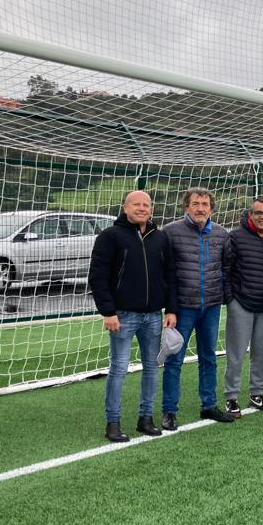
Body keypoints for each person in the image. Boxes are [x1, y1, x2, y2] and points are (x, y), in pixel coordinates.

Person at [89, 190, 178, 443]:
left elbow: (170, 276)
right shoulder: (110, 236)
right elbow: (98, 277)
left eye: (146, 204)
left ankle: (145, 418)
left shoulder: (160, 238)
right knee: (119, 368)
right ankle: (113, 422)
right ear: (125, 207)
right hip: (123, 316)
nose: (142, 208)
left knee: (152, 368)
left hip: (153, 316)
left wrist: (171, 310)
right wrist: (108, 311)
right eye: (136, 204)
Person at [161, 187, 234, 429]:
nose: (200, 208)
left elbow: (226, 270)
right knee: (175, 360)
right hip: (182, 309)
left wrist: (221, 296)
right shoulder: (171, 232)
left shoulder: (222, 235)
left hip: (211, 308)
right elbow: (165, 273)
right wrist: (169, 307)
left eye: (205, 204)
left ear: (211, 208)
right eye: (196, 203)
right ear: (186, 207)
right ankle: (170, 411)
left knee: (209, 358)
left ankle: (209, 405)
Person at [222, 197, 263, 417]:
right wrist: (230, 299)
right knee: (236, 353)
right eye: (258, 213)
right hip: (241, 303)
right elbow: (225, 270)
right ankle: (231, 396)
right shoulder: (235, 237)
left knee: (260, 352)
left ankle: (256, 393)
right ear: (250, 215)